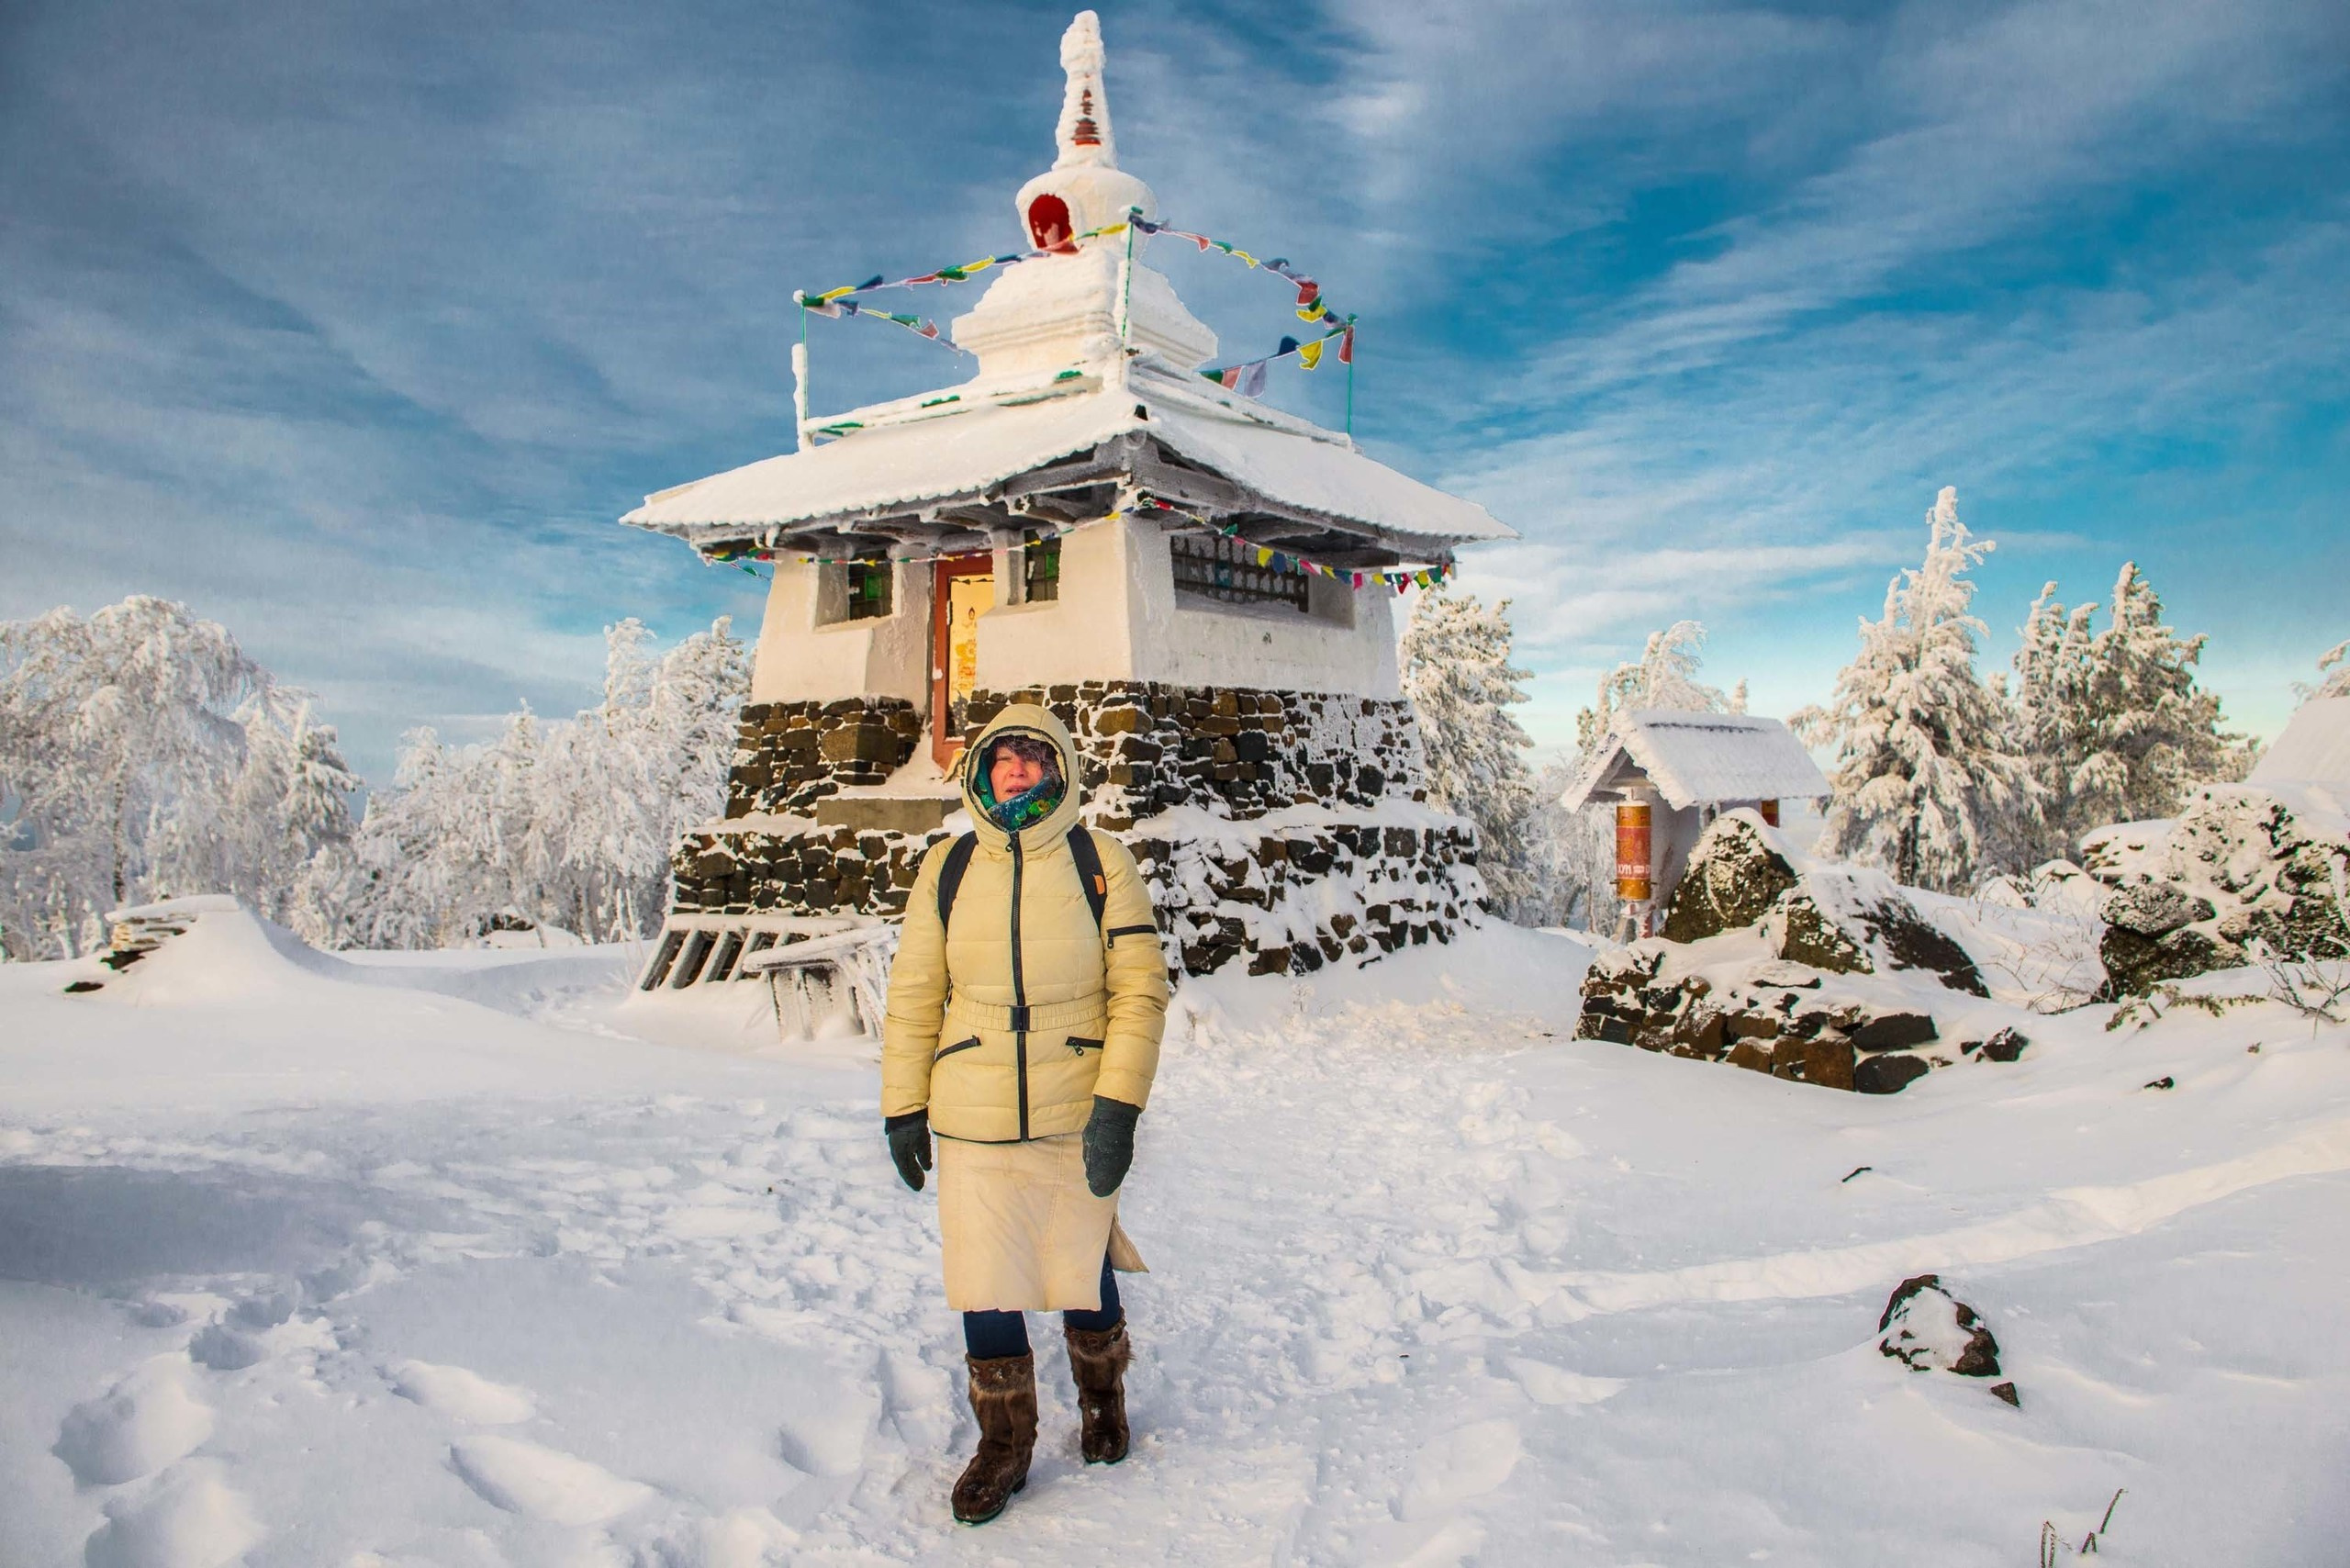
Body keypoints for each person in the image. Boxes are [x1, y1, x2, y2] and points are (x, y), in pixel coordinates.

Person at [879, 703, 1169, 1525]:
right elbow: (915, 995)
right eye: (1001, 757)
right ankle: (1003, 1443)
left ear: (1059, 770)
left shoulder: (1098, 859)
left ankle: (1102, 1398)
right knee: (985, 1279)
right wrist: (903, 1107)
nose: (1015, 770)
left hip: (1075, 1099)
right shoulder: (948, 867)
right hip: (970, 1105)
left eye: (1032, 758)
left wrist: (1118, 1107)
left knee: (1080, 1263)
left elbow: (1139, 991)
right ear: (980, 772)